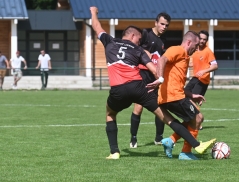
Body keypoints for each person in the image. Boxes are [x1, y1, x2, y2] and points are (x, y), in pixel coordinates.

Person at [90, 6, 214, 160]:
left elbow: (96, 26)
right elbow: (153, 68)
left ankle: (114, 151)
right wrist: (160, 80)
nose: (140, 41)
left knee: (110, 113)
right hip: (139, 88)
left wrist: (93, 13)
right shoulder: (138, 50)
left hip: (118, 89)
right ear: (133, 35)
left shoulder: (110, 41)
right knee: (167, 118)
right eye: (139, 39)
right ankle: (196, 145)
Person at [147, 31, 216, 160]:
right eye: (195, 46)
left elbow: (177, 82)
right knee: (198, 118)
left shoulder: (184, 56)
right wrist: (160, 78)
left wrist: (192, 95)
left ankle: (171, 141)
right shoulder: (177, 50)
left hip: (176, 94)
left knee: (194, 118)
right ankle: (185, 153)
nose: (195, 49)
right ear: (189, 42)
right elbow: (162, 59)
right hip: (173, 96)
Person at [130, 12, 171, 148]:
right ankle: (133, 138)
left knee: (160, 106)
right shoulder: (146, 34)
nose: (164, 27)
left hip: (155, 77)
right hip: (142, 74)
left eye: (166, 25)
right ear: (156, 22)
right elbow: (137, 48)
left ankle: (158, 137)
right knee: (138, 107)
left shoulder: (162, 41)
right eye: (162, 23)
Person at [185, 30, 218, 130]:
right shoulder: (195, 50)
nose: (202, 41)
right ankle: (196, 118)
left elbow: (215, 65)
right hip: (195, 77)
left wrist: (204, 71)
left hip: (203, 80)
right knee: (184, 95)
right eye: (201, 39)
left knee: (190, 100)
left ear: (207, 41)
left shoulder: (208, 52)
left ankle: (198, 119)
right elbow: (195, 63)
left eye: (205, 39)